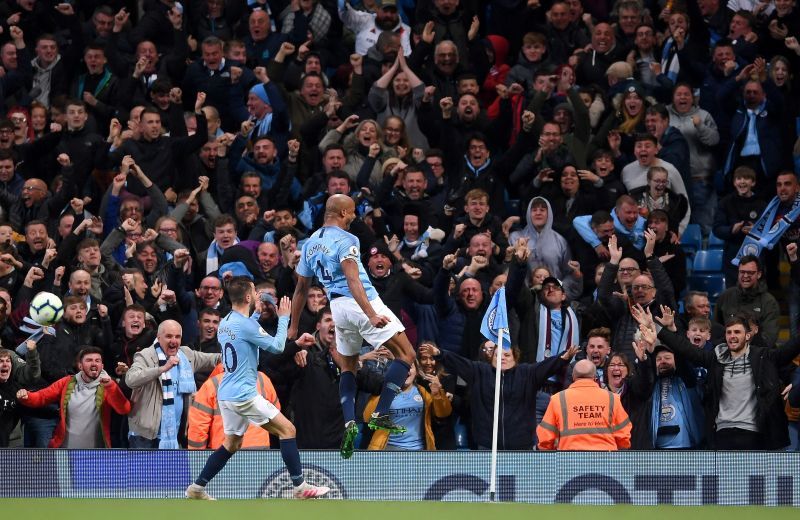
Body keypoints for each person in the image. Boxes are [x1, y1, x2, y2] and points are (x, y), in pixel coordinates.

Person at [289, 194, 417, 459]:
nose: (354, 219)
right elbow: (352, 278)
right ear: (345, 213)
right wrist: (370, 313)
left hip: (337, 308)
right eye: (353, 214)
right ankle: (381, 413)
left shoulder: (311, 242)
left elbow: (301, 287)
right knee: (406, 354)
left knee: (348, 366)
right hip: (361, 302)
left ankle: (349, 421)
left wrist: (292, 326)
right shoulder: (348, 240)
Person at [187, 277, 328, 500]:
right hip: (244, 395)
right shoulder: (246, 325)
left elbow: (244, 332)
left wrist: (255, 313)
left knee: (232, 443)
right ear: (246, 297)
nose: (256, 294)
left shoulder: (226, 322)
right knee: (288, 430)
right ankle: (300, 487)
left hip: (226, 393)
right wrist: (283, 319)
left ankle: (197, 487)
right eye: (254, 291)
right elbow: (278, 346)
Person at [16, 346, 130, 448]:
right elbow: (42, 397)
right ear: (80, 365)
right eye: (89, 360)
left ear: (102, 365)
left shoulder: (109, 384)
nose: (94, 363)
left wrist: (110, 386)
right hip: (65, 452)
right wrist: (26, 396)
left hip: (97, 454)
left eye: (97, 361)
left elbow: (124, 409)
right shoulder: (67, 382)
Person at [537, 359, 632, 450]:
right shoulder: (612, 398)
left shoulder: (558, 399)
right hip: (605, 461)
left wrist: (551, 450)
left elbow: (545, 438)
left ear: (573, 377)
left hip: (570, 461)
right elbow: (624, 436)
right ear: (595, 377)